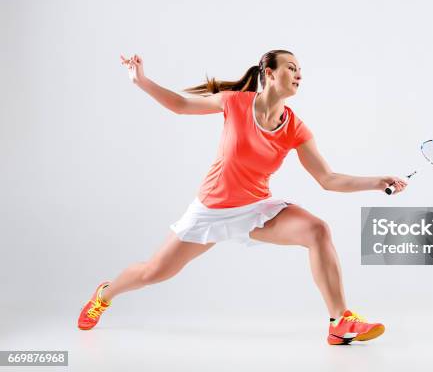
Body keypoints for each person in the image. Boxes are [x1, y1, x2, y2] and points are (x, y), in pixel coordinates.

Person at [77, 49, 407, 345]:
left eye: (300, 71)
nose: (298, 75)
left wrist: (378, 181)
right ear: (269, 73)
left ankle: (340, 321)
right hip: (210, 210)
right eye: (291, 68)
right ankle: (104, 295)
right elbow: (180, 105)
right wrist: (141, 80)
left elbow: (328, 179)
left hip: (255, 209)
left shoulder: (296, 128)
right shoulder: (234, 102)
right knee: (153, 272)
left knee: (317, 230)